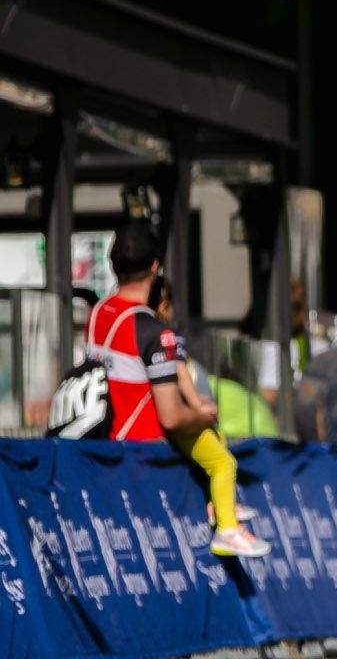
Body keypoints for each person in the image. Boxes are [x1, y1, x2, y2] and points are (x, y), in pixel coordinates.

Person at [82, 223, 269, 557]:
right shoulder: (154, 331)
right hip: (142, 444)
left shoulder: (99, 313)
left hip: (102, 436)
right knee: (221, 458)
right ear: (155, 266)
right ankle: (226, 527)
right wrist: (203, 413)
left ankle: (221, 504)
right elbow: (170, 417)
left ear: (113, 266)